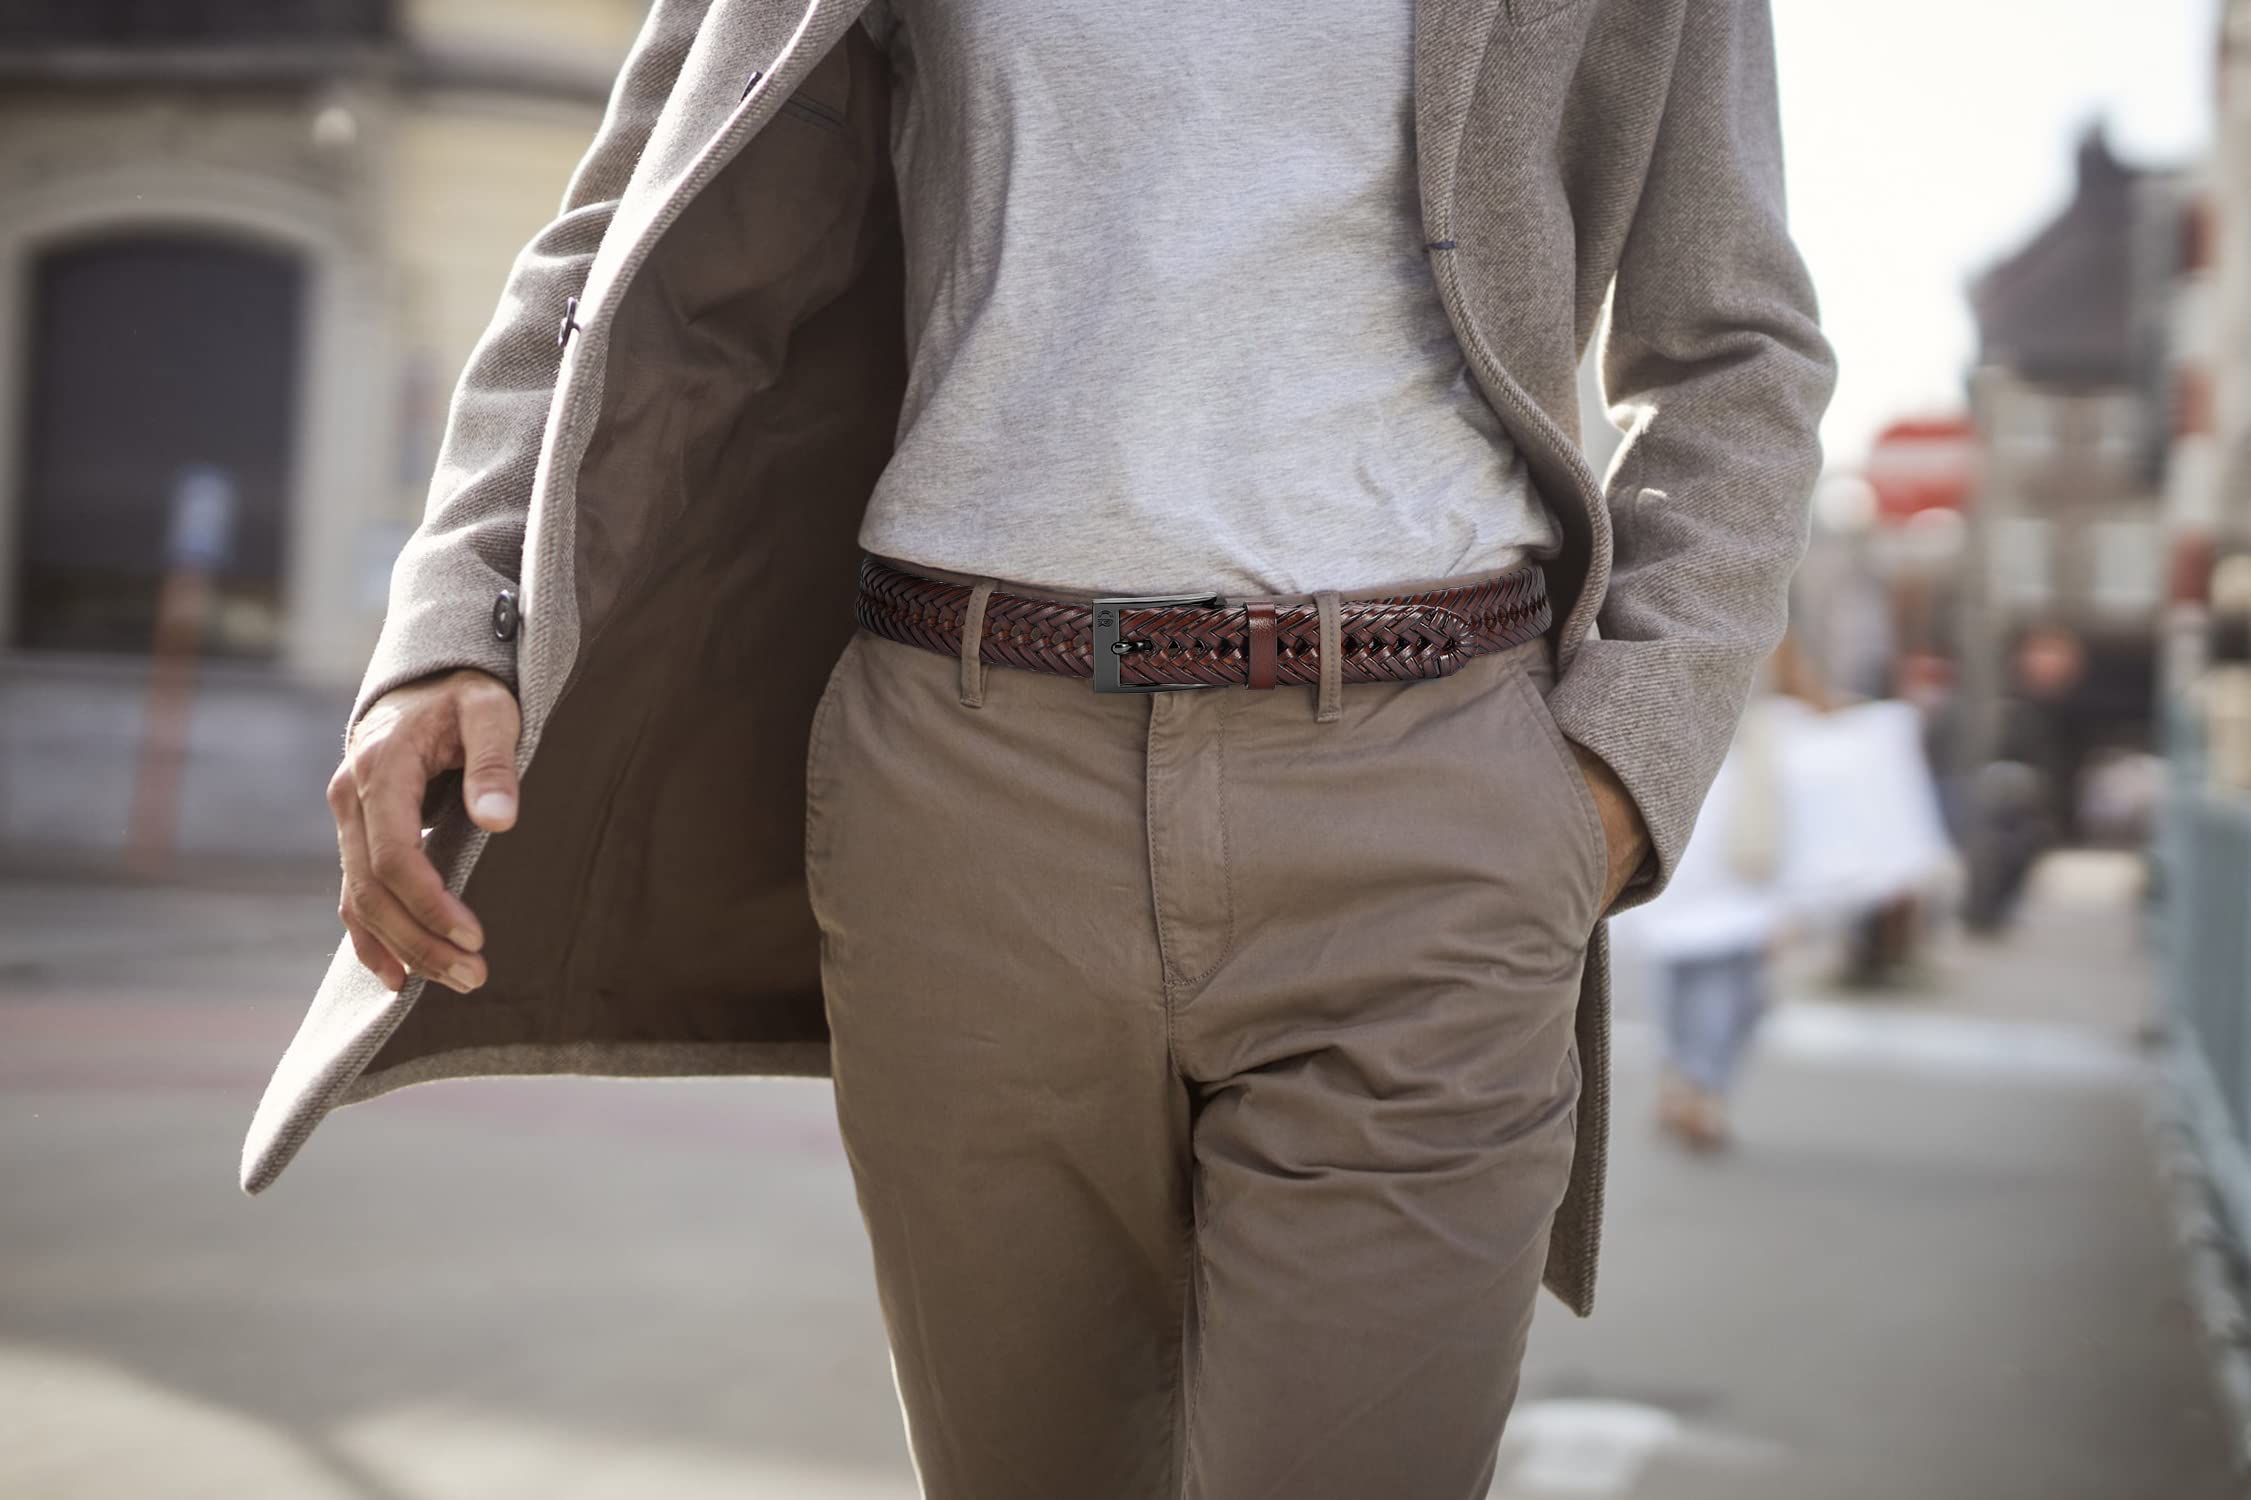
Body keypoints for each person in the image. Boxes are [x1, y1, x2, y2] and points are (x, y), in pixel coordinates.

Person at [242, 3, 1835, 1496]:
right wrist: (455, 612)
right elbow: (622, 241)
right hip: (965, 792)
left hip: (1430, 802)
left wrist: (1615, 777)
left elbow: (1735, 351)